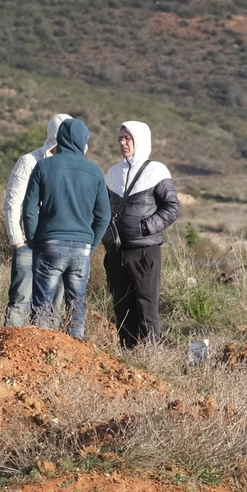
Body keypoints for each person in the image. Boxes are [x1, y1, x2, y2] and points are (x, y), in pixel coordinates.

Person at [21, 118, 110, 340]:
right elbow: (103, 216)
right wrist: (91, 244)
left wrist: (33, 240)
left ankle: (40, 350)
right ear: (82, 141)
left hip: (49, 245)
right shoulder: (95, 172)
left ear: (60, 138)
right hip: (82, 248)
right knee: (77, 304)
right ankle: (75, 351)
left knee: (42, 304)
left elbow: (29, 209)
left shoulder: (43, 166)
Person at [104, 121, 180, 348]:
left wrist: (146, 227)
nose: (123, 143)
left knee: (146, 305)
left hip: (145, 252)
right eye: (120, 138)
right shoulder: (113, 173)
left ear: (140, 140)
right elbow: (105, 207)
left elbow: (172, 208)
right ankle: (127, 353)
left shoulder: (157, 171)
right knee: (121, 305)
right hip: (117, 252)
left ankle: (151, 356)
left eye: (128, 138)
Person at [2, 113, 71, 327]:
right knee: (21, 300)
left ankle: (48, 353)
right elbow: (13, 202)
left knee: (54, 305)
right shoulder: (29, 162)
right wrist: (17, 240)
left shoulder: (71, 166)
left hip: (58, 243)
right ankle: (11, 349)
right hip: (28, 245)